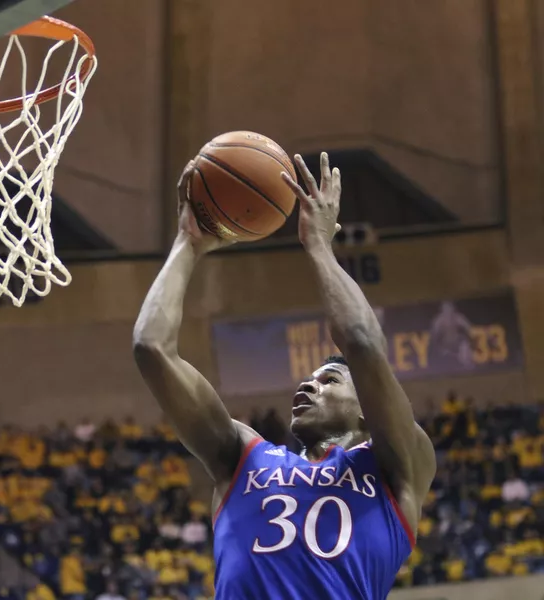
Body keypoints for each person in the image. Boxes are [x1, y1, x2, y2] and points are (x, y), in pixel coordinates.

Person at [133, 152, 436, 599]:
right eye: (312, 379)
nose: (308, 384)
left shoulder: (396, 467)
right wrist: (187, 243)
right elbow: (151, 347)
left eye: (329, 381)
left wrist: (318, 245)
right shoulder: (241, 455)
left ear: (366, 414)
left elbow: (362, 342)